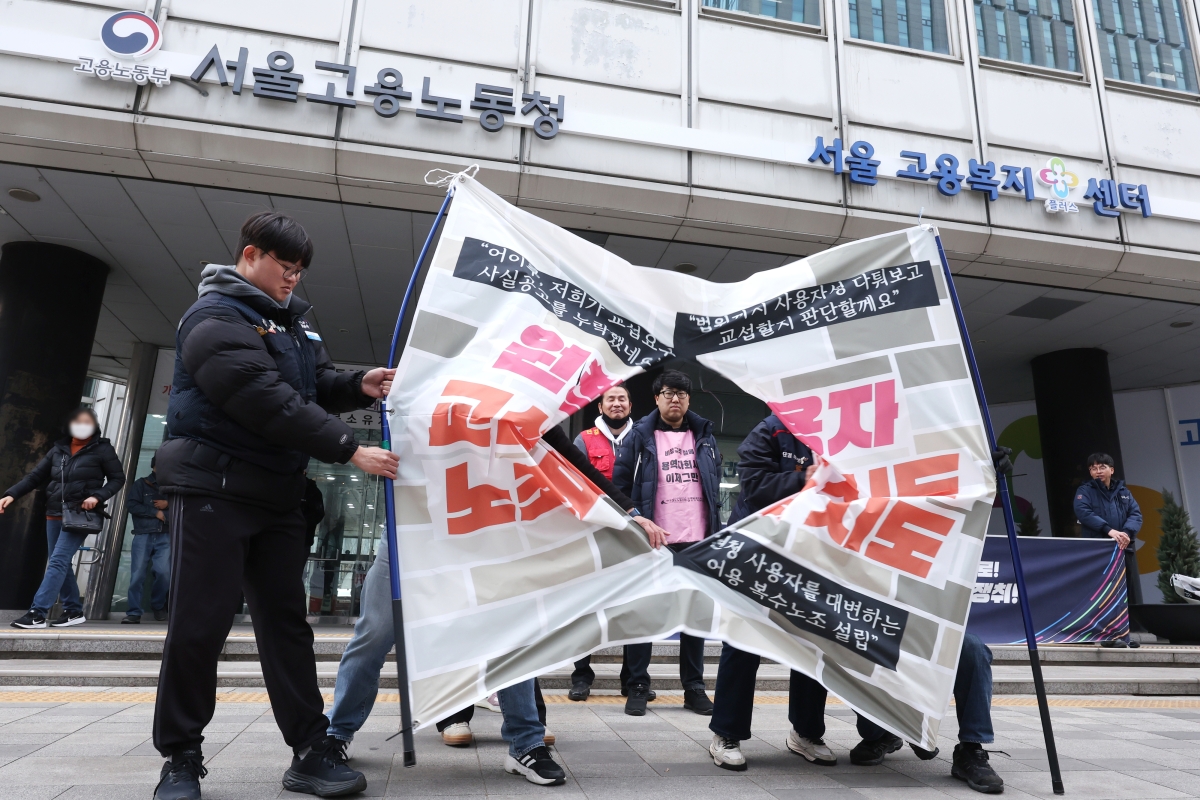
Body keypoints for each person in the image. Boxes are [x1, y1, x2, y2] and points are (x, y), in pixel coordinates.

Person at [150, 210, 399, 800]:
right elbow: (260, 397)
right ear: (250, 255)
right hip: (214, 490)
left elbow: (311, 385)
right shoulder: (212, 316)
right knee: (198, 625)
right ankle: (180, 759)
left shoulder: (291, 324)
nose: (293, 280)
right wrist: (348, 449)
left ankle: (311, 750)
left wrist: (358, 383)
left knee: (287, 627)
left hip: (279, 497)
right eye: (285, 268)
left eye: (299, 272)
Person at [325, 424, 669, 787]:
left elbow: (566, 453)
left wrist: (627, 510)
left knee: (509, 633)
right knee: (374, 633)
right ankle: (335, 733)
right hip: (412, 529)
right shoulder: (417, 385)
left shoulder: (510, 393)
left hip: (485, 530)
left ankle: (527, 743)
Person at [707, 413, 836, 769]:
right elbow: (754, 484)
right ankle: (726, 733)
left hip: (812, 551)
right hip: (758, 548)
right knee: (744, 639)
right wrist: (802, 478)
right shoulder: (770, 428)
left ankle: (806, 733)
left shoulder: (842, 431)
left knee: (813, 641)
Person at [613, 369, 722, 717]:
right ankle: (639, 684)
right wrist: (634, 521)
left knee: (695, 613)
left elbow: (714, 485)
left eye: (681, 393)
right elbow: (618, 485)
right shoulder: (638, 436)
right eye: (668, 392)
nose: (674, 399)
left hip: (698, 538)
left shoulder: (705, 435)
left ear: (689, 400)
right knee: (643, 611)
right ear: (657, 398)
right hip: (652, 538)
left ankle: (694, 687)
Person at [2, 407, 125, 630]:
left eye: (87, 421)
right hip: (54, 512)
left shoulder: (102, 449)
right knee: (61, 562)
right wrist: (11, 494)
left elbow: (118, 478)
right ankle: (73, 610)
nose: (82, 424)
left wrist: (97, 496)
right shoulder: (58, 449)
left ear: (95, 425)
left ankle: (37, 613)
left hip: (80, 513)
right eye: (77, 421)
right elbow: (35, 477)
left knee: (57, 560)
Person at [567, 384, 646, 702]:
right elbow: (575, 484)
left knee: (636, 607)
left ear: (630, 405)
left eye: (622, 399)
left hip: (636, 535)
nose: (617, 404)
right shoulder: (583, 440)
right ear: (599, 406)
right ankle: (581, 677)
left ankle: (634, 680)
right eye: (610, 399)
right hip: (595, 535)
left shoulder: (643, 439)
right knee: (588, 606)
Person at [1074, 452, 1143, 649]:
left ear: (1111, 470)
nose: (1097, 471)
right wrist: (1109, 530)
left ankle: (1122, 635)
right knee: (1101, 593)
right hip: (1098, 550)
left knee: (1122, 593)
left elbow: (1136, 514)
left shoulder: (1124, 492)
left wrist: (1126, 533)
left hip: (1122, 548)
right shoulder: (1084, 491)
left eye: (1102, 467)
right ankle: (1103, 635)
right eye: (1093, 468)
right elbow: (1083, 513)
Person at [123, 455, 171, 624]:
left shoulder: (174, 488)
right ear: (154, 467)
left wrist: (168, 506)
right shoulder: (141, 484)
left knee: (164, 573)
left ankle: (158, 605)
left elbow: (185, 508)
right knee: (137, 575)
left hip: (166, 534)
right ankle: (134, 611)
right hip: (143, 533)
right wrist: (155, 512)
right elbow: (132, 505)